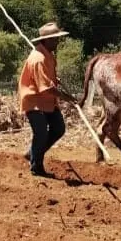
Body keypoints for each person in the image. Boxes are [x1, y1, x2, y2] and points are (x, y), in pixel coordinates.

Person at [17, 22, 77, 177]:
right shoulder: (38, 58)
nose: (58, 42)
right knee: (41, 133)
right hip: (34, 100)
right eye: (55, 39)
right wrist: (66, 97)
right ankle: (36, 167)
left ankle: (33, 152)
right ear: (46, 40)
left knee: (58, 128)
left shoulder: (48, 55)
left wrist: (54, 79)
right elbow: (46, 88)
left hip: (46, 100)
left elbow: (46, 79)